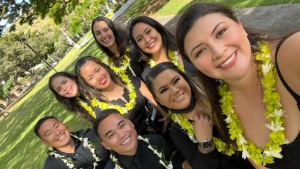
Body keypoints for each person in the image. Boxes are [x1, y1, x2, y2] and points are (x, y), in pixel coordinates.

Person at [175, 2, 300, 169]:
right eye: (200, 51)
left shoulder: (291, 55)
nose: (218, 52)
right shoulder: (226, 110)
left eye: (221, 32)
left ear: (240, 26)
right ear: (196, 66)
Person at [146, 62, 254, 169]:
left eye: (176, 80)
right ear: (159, 100)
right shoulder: (177, 131)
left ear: (184, 78)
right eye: (164, 90)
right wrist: (204, 141)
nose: (175, 91)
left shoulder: (214, 90)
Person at [75, 56, 169, 134]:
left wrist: (166, 116)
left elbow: (152, 98)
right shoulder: (100, 110)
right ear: (88, 84)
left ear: (103, 66)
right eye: (90, 78)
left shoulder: (129, 80)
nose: (98, 77)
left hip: (163, 124)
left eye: (97, 70)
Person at [93, 109, 172, 169]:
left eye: (122, 126)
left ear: (130, 123)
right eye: (111, 135)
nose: (122, 135)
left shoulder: (157, 141)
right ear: (106, 145)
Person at [128, 16, 197, 81]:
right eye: (140, 39)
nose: (147, 40)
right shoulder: (148, 75)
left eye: (148, 31)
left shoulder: (184, 44)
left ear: (157, 29)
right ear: (137, 46)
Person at [34, 116, 109, 169]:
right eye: (49, 133)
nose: (57, 132)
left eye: (56, 126)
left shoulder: (89, 135)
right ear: (44, 142)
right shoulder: (53, 166)